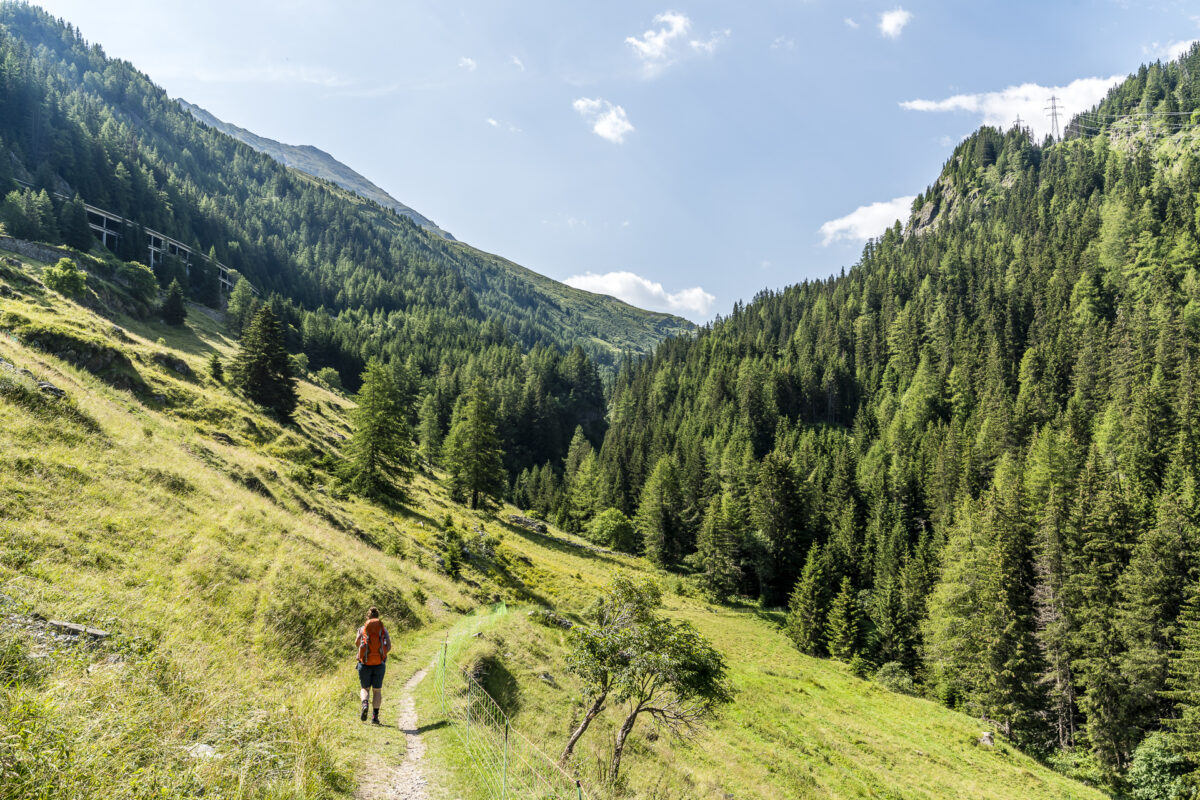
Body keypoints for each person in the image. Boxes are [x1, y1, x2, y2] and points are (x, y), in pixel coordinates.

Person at [355, 606, 391, 724]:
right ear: (378, 617)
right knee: (377, 690)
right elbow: (389, 646)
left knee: (364, 688)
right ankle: (375, 717)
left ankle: (365, 704)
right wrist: (381, 654)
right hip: (379, 664)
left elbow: (356, 643)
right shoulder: (383, 629)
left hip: (364, 663)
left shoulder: (362, 628)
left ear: (368, 616)